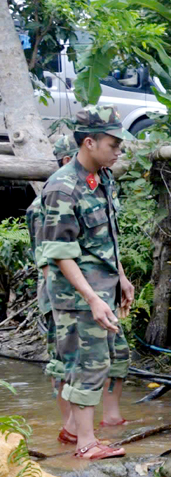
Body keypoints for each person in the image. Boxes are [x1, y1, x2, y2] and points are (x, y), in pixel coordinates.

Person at [38, 107, 136, 460]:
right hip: (78, 296)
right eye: (113, 144)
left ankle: (75, 433)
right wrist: (92, 297)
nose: (118, 151)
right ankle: (86, 445)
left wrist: (122, 278)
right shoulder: (63, 188)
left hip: (103, 289)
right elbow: (60, 254)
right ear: (90, 142)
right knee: (88, 363)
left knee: (104, 360)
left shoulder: (103, 178)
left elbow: (106, 238)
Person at [27, 136, 77, 442]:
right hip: (58, 296)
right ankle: (68, 426)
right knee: (61, 362)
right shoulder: (42, 205)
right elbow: (46, 262)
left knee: (79, 360)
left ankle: (77, 426)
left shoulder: (76, 195)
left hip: (76, 294)